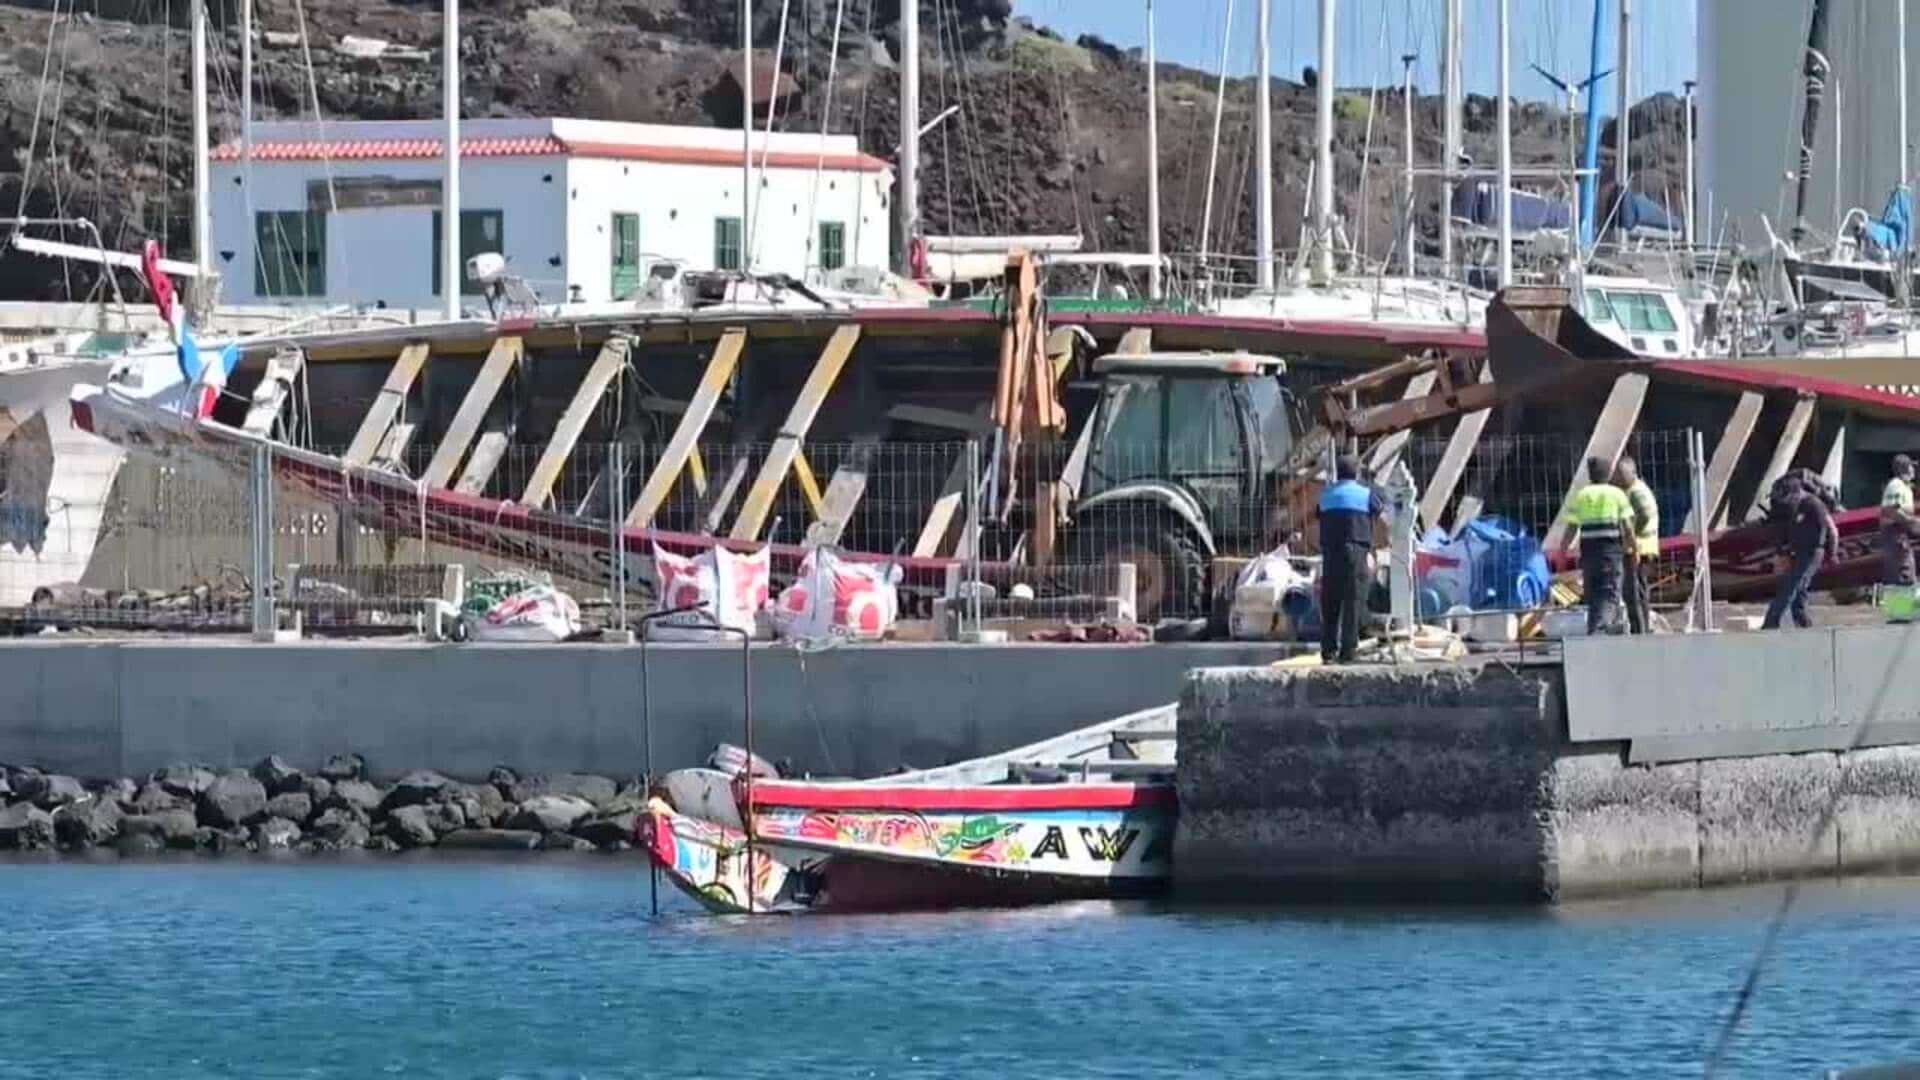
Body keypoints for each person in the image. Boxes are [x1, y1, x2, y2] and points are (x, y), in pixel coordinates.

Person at [1317, 454, 1384, 664]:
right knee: (1353, 600)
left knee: (1331, 601)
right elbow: (1378, 508)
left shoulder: (1326, 495)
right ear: (1357, 472)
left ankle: (1328, 652)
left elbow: (1318, 513)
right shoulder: (1365, 494)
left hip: (1331, 553)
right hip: (1356, 551)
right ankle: (1348, 651)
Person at [1566, 456, 1636, 635]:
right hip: (1610, 552)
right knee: (1610, 593)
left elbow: (1572, 527)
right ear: (1608, 474)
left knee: (1594, 594)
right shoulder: (1617, 494)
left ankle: (1594, 631)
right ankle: (1599, 631)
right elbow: (1627, 527)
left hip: (1589, 553)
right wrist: (1633, 548)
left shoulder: (1581, 495)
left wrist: (1562, 550)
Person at [1763, 475, 1838, 629]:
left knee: (1792, 585)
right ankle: (1803, 624)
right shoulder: (1792, 507)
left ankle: (1771, 623)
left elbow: (1831, 530)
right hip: (1799, 551)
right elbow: (1783, 530)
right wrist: (1783, 551)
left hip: (1812, 551)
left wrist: (1833, 553)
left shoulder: (1814, 505)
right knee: (1799, 590)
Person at [1614, 456, 1660, 635]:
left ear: (1632, 473)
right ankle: (1642, 628)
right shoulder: (1632, 489)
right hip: (1639, 547)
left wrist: (1631, 535)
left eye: (1622, 475)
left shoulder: (1636, 491)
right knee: (1638, 592)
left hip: (1638, 548)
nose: (1618, 478)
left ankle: (1639, 630)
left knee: (1633, 592)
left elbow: (1645, 514)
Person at [1882, 454, 1920, 586]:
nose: (1914, 470)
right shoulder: (1896, 485)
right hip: (1896, 536)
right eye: (1912, 467)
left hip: (1900, 536)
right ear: (1905, 468)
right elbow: (1890, 510)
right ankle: (1900, 606)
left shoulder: (1905, 487)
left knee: (1903, 575)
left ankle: (1900, 606)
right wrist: (1912, 522)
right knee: (1903, 574)